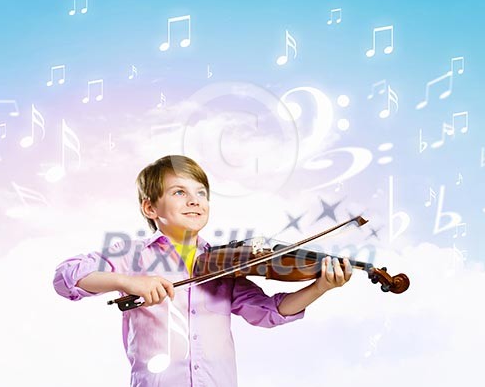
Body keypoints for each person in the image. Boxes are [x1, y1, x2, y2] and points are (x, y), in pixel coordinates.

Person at [53, 155, 352, 387]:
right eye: (179, 192)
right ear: (150, 208)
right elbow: (66, 277)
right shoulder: (132, 255)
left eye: (201, 193)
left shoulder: (225, 263)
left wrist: (319, 287)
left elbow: (271, 311)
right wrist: (127, 281)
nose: (195, 200)